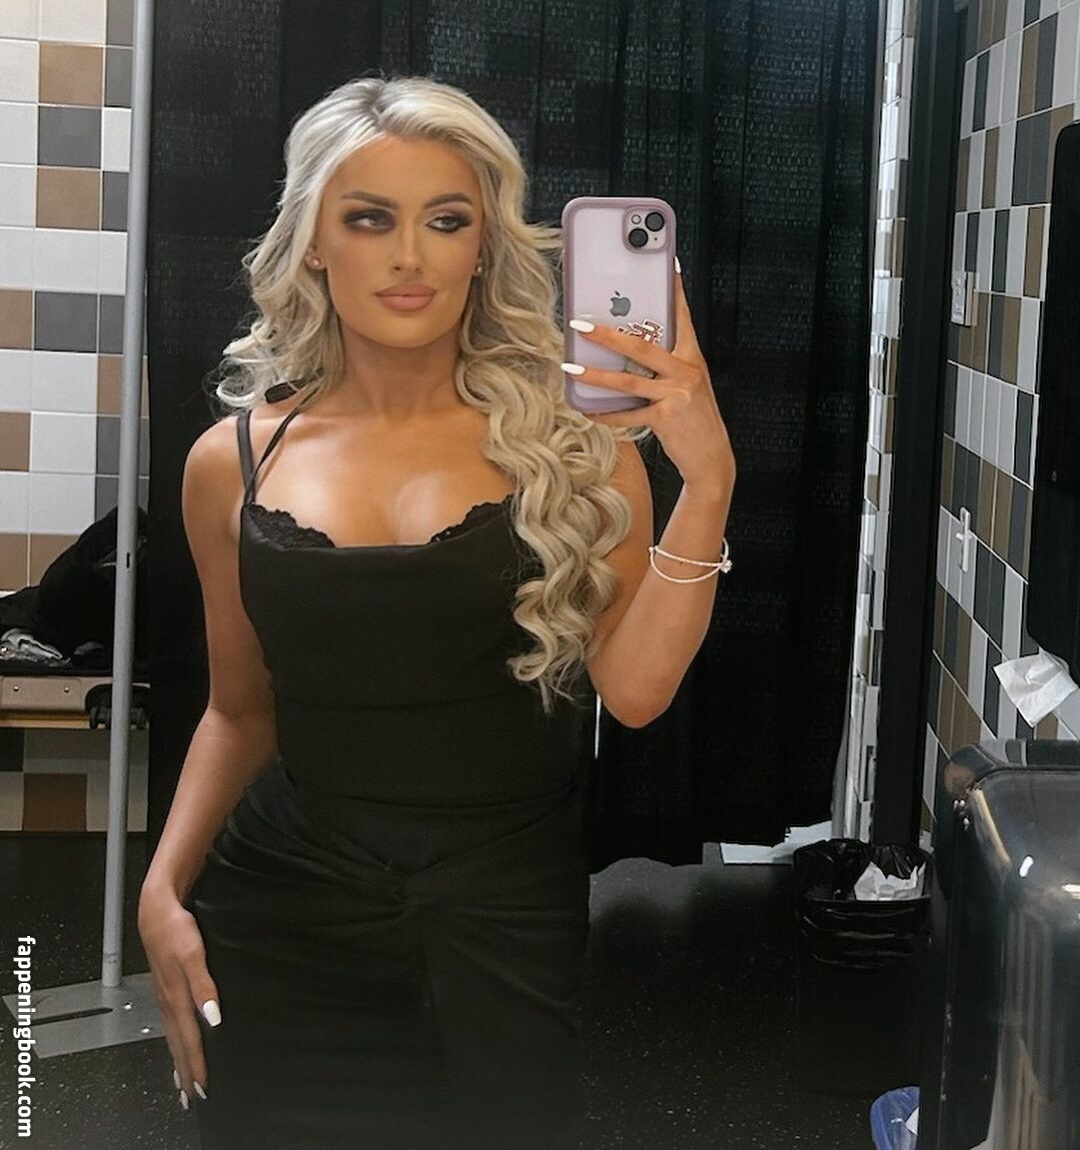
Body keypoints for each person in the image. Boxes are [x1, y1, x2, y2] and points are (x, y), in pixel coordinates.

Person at [136, 74, 736, 1149]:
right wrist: (161, 888)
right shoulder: (231, 463)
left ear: (482, 246)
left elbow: (637, 692)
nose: (409, 256)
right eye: (371, 219)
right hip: (283, 914)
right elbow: (238, 709)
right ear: (314, 243)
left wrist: (710, 482)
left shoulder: (577, 447)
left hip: (504, 917)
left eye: (446, 220)